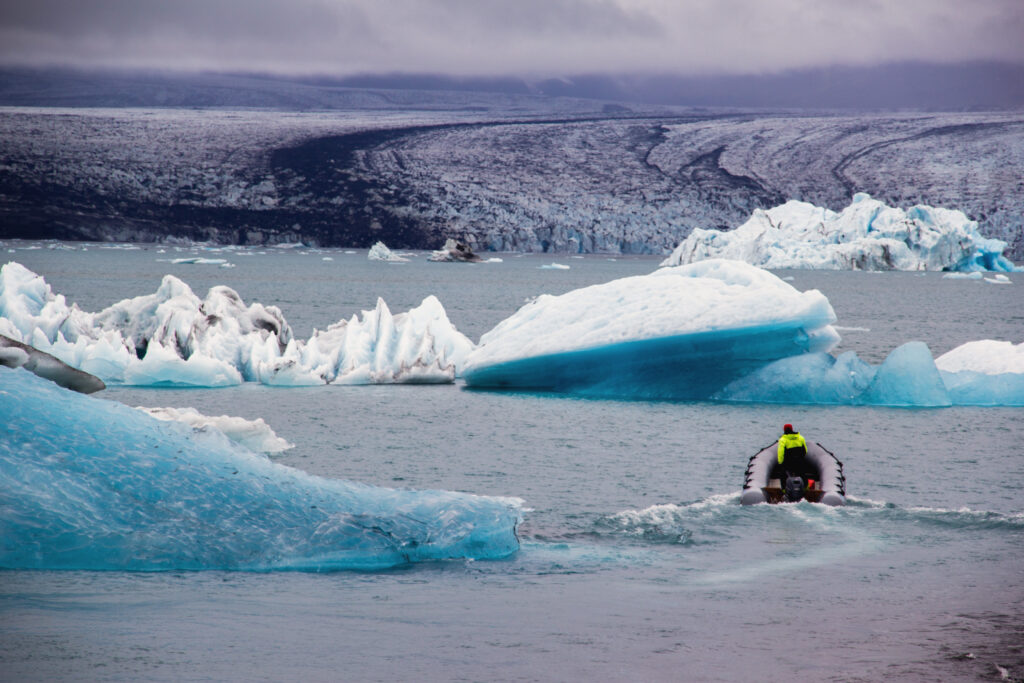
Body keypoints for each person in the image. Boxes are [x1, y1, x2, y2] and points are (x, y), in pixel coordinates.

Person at [775, 423, 808, 487]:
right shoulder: (801, 438)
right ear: (792, 429)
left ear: (784, 430)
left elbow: (780, 453)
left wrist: (780, 462)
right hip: (799, 462)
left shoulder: (783, 440)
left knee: (783, 475)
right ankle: (805, 488)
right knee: (803, 474)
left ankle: (784, 489)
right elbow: (805, 451)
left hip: (788, 463)